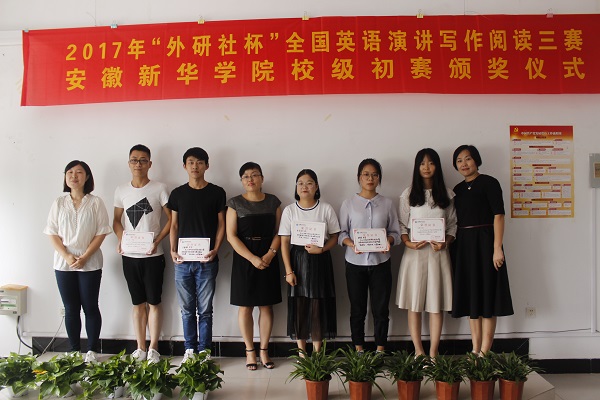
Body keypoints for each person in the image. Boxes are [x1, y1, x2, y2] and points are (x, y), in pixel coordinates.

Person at [44, 160, 112, 363]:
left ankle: (92, 350)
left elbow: (101, 232)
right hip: (63, 264)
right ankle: (74, 350)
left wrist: (85, 256)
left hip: (90, 263)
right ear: (65, 177)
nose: (74, 176)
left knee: (90, 306)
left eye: (79, 172)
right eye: (70, 172)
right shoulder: (58, 203)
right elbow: (52, 233)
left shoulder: (96, 202)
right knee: (71, 308)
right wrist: (67, 256)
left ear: (87, 177)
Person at [451, 144, 514, 355]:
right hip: (464, 247)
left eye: (468, 158)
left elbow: (499, 215)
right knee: (472, 299)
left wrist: (497, 248)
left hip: (487, 244)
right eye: (459, 160)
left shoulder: (490, 182)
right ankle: (475, 349)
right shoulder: (457, 190)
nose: (464, 164)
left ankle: (485, 352)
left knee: (487, 298)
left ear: (476, 160)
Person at [113, 144, 171, 363]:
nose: (138, 164)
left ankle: (154, 347)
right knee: (137, 303)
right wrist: (122, 239)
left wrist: (158, 240)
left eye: (143, 160)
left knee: (154, 302)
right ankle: (140, 347)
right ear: (129, 163)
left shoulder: (160, 188)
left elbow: (172, 219)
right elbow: (116, 221)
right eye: (134, 160)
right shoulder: (121, 190)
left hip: (153, 256)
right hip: (129, 256)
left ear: (150, 163)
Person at [396, 149, 456, 357]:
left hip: (438, 255)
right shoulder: (408, 194)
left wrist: (445, 243)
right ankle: (418, 351)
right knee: (415, 304)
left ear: (437, 166)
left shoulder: (447, 194)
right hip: (414, 255)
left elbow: (453, 225)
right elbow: (402, 224)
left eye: (431, 163)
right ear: (417, 167)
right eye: (422, 163)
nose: (427, 167)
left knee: (435, 304)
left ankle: (433, 352)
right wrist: (408, 243)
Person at [168, 147, 226, 362]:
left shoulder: (217, 192)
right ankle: (190, 349)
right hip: (182, 261)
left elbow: (222, 225)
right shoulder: (177, 194)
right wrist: (172, 250)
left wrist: (216, 249)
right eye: (191, 162)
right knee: (186, 310)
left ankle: (204, 351)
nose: (195, 166)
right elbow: (174, 225)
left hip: (207, 260)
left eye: (200, 162)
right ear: (184, 166)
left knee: (205, 310)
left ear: (207, 166)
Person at [338, 158, 400, 353]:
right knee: (357, 309)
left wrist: (388, 241)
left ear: (379, 178)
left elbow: (396, 233)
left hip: (381, 263)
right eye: (366, 174)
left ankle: (380, 348)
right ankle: (358, 348)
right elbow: (341, 233)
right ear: (359, 177)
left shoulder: (388, 203)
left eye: (374, 175)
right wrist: (351, 243)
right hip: (354, 263)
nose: (370, 178)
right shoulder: (348, 204)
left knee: (381, 309)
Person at [226, 162, 282, 370]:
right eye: (246, 176)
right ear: (241, 181)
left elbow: (280, 231)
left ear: (262, 178)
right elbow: (231, 236)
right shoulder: (234, 203)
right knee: (245, 306)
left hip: (269, 256)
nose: (250, 179)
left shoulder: (274, 201)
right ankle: (250, 351)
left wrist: (269, 254)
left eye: (255, 175)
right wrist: (252, 258)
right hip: (244, 257)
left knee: (266, 305)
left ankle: (264, 350)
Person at [279, 169, 340, 355]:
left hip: (320, 260)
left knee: (317, 304)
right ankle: (301, 352)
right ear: (296, 187)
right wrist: (289, 271)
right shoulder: (290, 210)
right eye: (300, 183)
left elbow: (335, 236)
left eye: (309, 183)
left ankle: (318, 352)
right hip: (297, 260)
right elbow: (284, 242)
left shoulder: (326, 208)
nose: (304, 187)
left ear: (316, 186)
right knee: (300, 304)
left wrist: (322, 249)